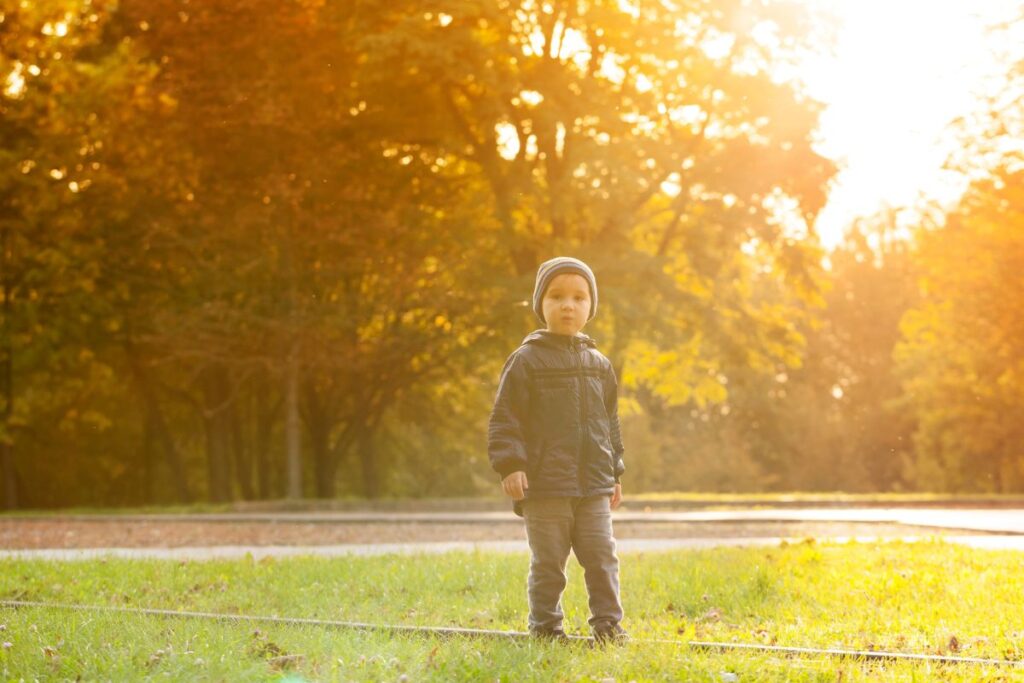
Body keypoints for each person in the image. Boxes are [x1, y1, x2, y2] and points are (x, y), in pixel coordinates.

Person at [487, 256, 628, 645]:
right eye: (557, 296)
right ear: (541, 304)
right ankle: (546, 629)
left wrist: (614, 471)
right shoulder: (526, 360)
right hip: (545, 485)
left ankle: (608, 627)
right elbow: (505, 418)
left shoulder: (598, 364)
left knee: (602, 559)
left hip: (594, 486)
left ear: (590, 307)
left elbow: (609, 422)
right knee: (549, 564)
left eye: (579, 297)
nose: (569, 305)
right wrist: (511, 464)